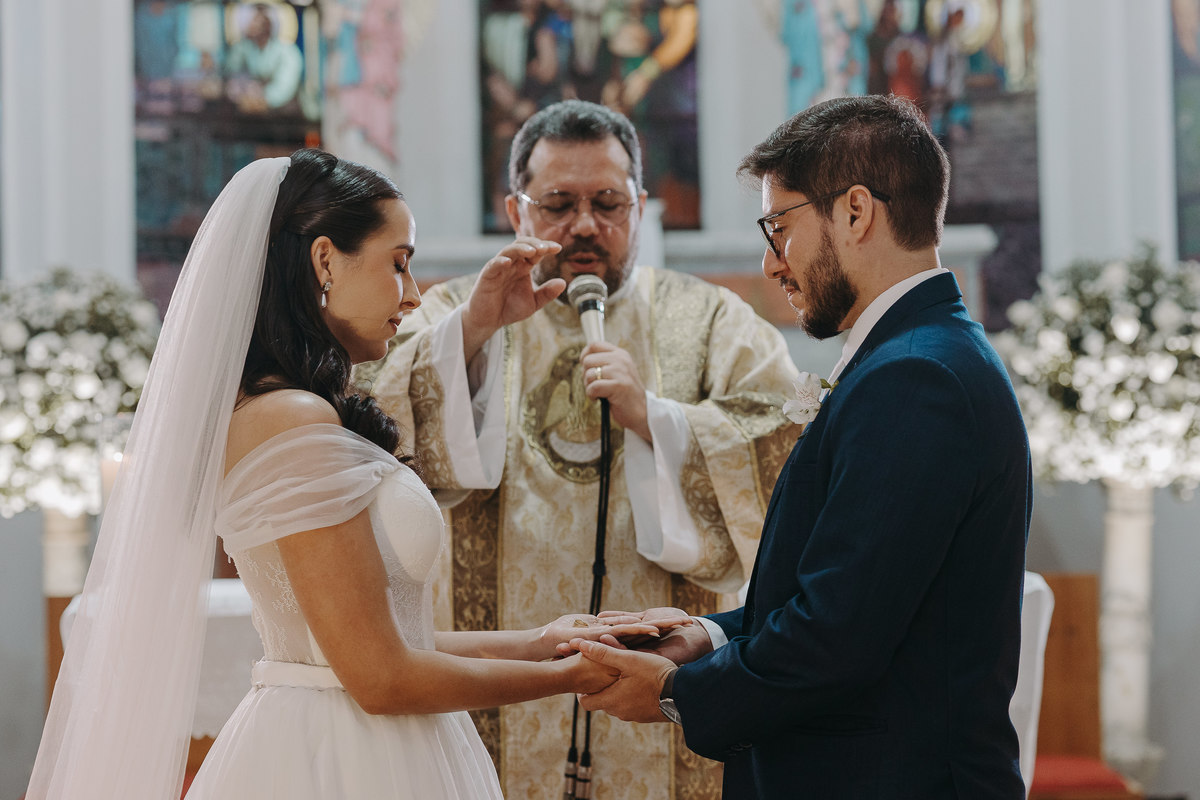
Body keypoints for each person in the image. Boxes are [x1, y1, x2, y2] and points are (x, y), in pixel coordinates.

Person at [26, 149, 684, 799]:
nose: (413, 294)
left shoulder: (282, 408)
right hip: (340, 756)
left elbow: (382, 635)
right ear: (325, 261)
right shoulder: (290, 420)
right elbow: (380, 677)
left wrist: (542, 642)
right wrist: (572, 677)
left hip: (359, 737)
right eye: (398, 264)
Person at [570, 94, 1032, 799]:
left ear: (855, 212)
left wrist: (675, 693)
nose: (771, 263)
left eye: (778, 228)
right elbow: (849, 596)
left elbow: (837, 637)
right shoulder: (918, 356)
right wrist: (707, 637)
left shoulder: (918, 377)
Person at [359, 100, 800, 798]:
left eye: (608, 204)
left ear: (641, 208)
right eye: (559, 204)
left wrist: (656, 418)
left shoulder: (711, 320)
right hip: (493, 681)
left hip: (658, 697)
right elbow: (360, 418)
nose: (586, 225)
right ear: (516, 211)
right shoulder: (453, 313)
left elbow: (785, 443)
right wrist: (468, 338)